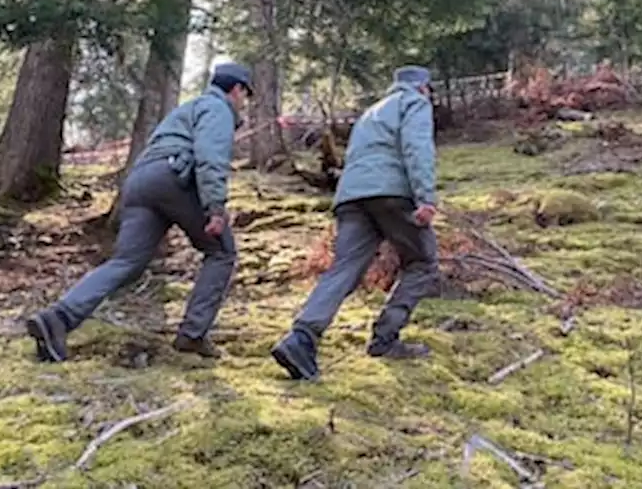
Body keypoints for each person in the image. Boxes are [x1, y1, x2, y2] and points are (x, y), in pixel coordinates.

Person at [25, 62, 252, 362]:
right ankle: (192, 335)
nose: (244, 104)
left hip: (140, 182)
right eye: (245, 96)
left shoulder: (189, 108)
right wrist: (215, 208)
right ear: (236, 89)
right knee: (222, 251)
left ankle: (59, 318)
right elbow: (210, 156)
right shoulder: (217, 109)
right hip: (175, 179)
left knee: (126, 262)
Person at [271, 65, 440, 380]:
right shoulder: (414, 104)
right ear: (422, 87)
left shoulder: (371, 113)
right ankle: (385, 338)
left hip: (352, 197)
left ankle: (301, 339)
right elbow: (418, 149)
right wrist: (426, 197)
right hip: (393, 194)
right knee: (424, 262)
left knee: (344, 269)